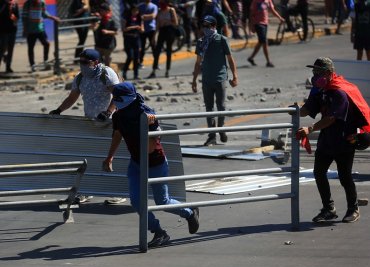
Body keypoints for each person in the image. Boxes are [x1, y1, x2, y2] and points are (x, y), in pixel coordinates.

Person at [102, 81, 200, 248]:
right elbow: (117, 134)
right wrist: (109, 157)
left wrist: (146, 127)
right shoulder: (118, 115)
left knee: (163, 202)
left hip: (155, 162)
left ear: (130, 98)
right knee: (136, 201)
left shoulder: (146, 114)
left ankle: (189, 212)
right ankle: (159, 232)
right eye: (115, 98)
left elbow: (151, 147)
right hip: (136, 162)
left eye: (119, 98)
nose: (116, 101)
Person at [297, 57, 370, 223]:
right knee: (319, 173)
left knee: (345, 177)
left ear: (330, 73)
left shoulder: (339, 92)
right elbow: (308, 109)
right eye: (314, 73)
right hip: (327, 140)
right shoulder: (319, 90)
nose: (315, 76)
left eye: (319, 73)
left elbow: (331, 118)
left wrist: (310, 129)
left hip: (344, 139)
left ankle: (353, 209)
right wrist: (295, 111)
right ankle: (328, 208)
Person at [49, 49, 124, 205]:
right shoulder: (80, 77)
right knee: (88, 158)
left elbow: (118, 96)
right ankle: (87, 191)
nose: (82, 65)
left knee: (111, 157)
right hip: (90, 123)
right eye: (80, 62)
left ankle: (117, 191)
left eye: (85, 62)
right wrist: (59, 110)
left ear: (95, 62)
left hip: (110, 123)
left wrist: (108, 112)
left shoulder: (107, 74)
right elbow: (72, 97)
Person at [191, 15, 238, 146]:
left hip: (220, 79)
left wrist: (235, 76)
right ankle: (212, 136)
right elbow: (198, 63)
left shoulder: (222, 39)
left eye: (208, 26)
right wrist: (194, 80)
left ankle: (221, 129)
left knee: (221, 107)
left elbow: (230, 59)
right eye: (203, 26)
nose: (205, 29)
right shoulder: (201, 42)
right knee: (209, 109)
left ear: (214, 26)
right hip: (206, 80)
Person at [22, 0, 60, 72]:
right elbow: (24, 16)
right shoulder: (27, 4)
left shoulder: (42, 3)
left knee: (46, 44)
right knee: (31, 47)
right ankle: (32, 65)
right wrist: (25, 29)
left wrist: (53, 18)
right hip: (30, 30)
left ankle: (45, 61)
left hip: (40, 29)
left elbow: (44, 13)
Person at [247, 0, 284, 67]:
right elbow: (251, 14)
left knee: (261, 41)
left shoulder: (268, 1)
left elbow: (272, 10)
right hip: (258, 23)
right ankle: (268, 61)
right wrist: (251, 26)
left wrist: (280, 18)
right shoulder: (255, 1)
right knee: (264, 41)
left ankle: (251, 58)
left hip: (265, 23)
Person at [148, 0, 178, 78]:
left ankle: (167, 70)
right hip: (162, 31)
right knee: (157, 51)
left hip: (170, 31)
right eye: (160, 4)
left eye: (163, 3)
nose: (162, 5)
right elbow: (157, 24)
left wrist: (167, 21)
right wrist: (154, 36)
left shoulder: (171, 10)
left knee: (168, 51)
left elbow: (176, 23)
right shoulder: (159, 11)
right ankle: (154, 70)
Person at [121, 5, 144, 80]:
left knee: (136, 57)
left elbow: (142, 30)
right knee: (130, 56)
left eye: (136, 11)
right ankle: (124, 72)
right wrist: (133, 27)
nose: (135, 12)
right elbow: (124, 29)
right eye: (134, 11)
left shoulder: (139, 19)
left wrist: (140, 28)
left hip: (136, 39)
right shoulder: (126, 18)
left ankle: (136, 74)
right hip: (128, 38)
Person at [0, 0, 19, 73]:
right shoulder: (1, 3)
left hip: (12, 30)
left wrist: (14, 17)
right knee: (2, 48)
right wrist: (5, 5)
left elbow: (17, 18)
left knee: (10, 49)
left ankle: (8, 67)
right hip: (3, 30)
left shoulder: (15, 4)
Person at [138, 0, 158, 68]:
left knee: (153, 46)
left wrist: (144, 16)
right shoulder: (140, 6)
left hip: (151, 28)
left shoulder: (154, 6)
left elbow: (153, 16)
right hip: (143, 29)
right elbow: (139, 16)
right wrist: (146, 17)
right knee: (142, 47)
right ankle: (140, 62)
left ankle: (156, 63)